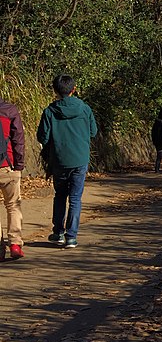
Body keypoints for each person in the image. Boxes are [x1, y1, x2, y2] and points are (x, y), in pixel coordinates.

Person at [38, 75, 96, 249]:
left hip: (59, 160)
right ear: (74, 88)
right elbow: (93, 132)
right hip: (80, 159)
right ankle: (72, 237)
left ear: (55, 90)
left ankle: (58, 233)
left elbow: (43, 136)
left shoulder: (49, 111)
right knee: (76, 198)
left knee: (60, 195)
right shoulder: (85, 109)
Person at [0, 94, 24, 261]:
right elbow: (18, 140)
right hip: (8, 166)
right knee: (13, 205)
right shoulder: (10, 110)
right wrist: (19, 164)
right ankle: (15, 244)